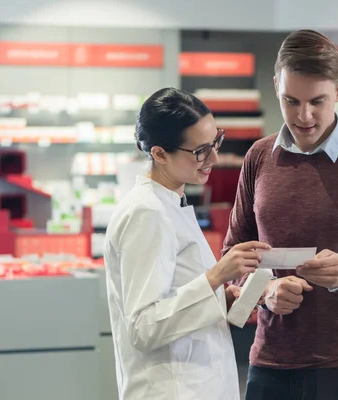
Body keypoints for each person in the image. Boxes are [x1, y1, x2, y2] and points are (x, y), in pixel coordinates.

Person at [222, 29, 338, 400]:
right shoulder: (258, 158)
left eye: (317, 101)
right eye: (290, 100)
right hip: (271, 366)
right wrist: (265, 291)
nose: (303, 116)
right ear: (276, 85)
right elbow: (233, 262)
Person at [103, 87, 271, 400]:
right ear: (159, 153)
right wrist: (216, 276)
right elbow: (143, 327)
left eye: (215, 142)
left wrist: (225, 300)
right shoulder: (146, 212)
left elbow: (174, 299)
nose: (215, 158)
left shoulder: (171, 202)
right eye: (200, 151)